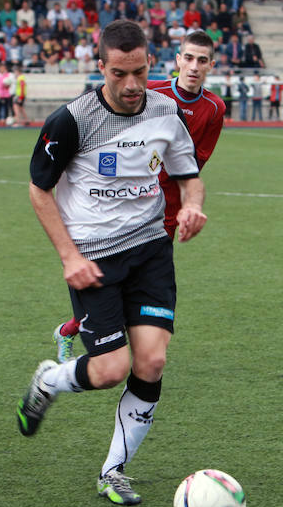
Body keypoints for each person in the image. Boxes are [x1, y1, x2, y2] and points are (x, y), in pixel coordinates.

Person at [15, 20, 207, 506]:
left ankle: (113, 471)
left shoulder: (167, 113)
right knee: (108, 370)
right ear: (101, 67)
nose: (131, 85)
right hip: (93, 259)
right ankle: (49, 379)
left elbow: (189, 175)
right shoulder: (71, 120)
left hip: (150, 253)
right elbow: (39, 190)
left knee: (152, 360)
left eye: (140, 72)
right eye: (120, 73)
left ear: (150, 65)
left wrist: (191, 204)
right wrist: (68, 258)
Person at [52, 30, 225, 363]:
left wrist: (191, 204)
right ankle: (74, 332)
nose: (194, 67)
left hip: (166, 209)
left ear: (211, 66)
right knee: (111, 283)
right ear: (176, 60)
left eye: (202, 60)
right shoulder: (149, 91)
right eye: (188, 58)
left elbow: (194, 163)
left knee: (138, 285)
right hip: (121, 204)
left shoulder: (214, 108)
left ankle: (124, 349)